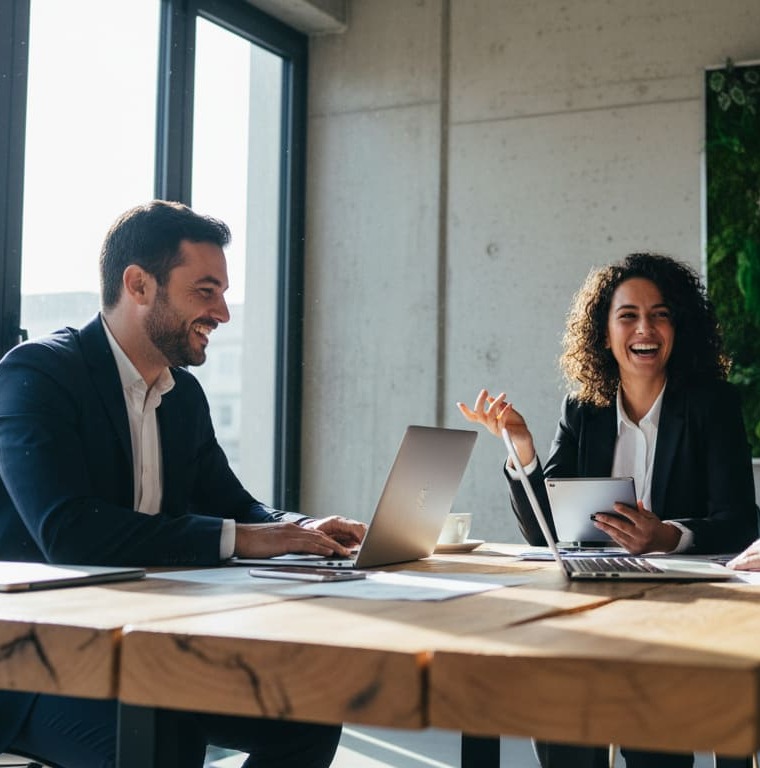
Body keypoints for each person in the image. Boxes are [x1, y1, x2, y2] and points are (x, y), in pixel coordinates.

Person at [0, 200, 367, 768]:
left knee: (307, 713)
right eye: (205, 291)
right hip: (34, 664)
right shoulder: (39, 375)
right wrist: (245, 537)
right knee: (165, 739)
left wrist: (297, 528)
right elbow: (68, 535)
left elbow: (233, 506)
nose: (223, 312)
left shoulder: (182, 395)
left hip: (145, 648)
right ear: (138, 285)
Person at [458, 252, 758, 768]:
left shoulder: (712, 405)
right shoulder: (582, 410)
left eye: (660, 314)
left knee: (653, 728)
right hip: (595, 597)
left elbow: (740, 521)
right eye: (629, 315)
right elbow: (545, 534)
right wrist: (522, 450)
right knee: (559, 694)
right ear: (604, 334)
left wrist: (668, 536)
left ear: (677, 327)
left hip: (684, 610)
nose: (646, 328)